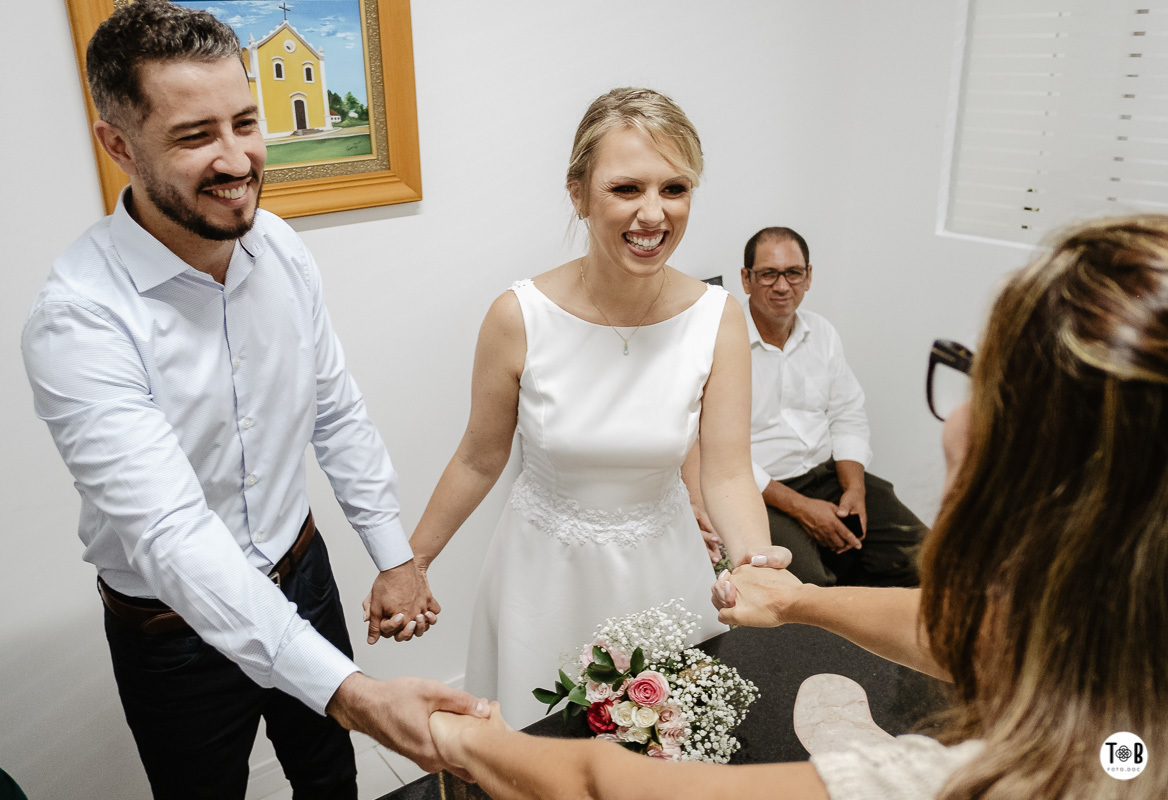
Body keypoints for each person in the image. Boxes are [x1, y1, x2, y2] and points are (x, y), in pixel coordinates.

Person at [425, 214, 1168, 799]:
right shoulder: (1120, 677)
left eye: (986, 377)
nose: (960, 417)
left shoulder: (963, 780)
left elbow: (606, 785)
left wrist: (456, 743)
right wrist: (803, 601)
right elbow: (981, 631)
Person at [20, 2, 485, 797]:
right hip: (174, 631)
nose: (237, 159)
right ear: (119, 146)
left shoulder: (280, 249)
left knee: (331, 779)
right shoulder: (77, 321)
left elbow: (334, 409)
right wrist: (358, 695)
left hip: (302, 575)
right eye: (196, 135)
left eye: (245, 122)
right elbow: (171, 536)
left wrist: (395, 556)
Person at [397, 87, 781, 728]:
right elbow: (478, 457)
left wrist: (755, 565)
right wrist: (412, 563)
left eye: (675, 189)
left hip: (665, 575)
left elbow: (728, 471)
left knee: (660, 751)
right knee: (544, 751)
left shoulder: (717, 319)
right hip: (544, 578)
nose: (653, 214)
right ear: (578, 193)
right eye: (626, 189)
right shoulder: (518, 317)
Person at [696, 226, 926, 586]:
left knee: (927, 557)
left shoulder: (821, 333)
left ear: (808, 276)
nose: (783, 286)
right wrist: (803, 509)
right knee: (807, 591)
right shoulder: (719, 342)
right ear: (746, 279)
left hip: (828, 476)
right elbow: (719, 454)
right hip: (761, 491)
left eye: (793, 273)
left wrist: (855, 488)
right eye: (769, 274)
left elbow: (847, 414)